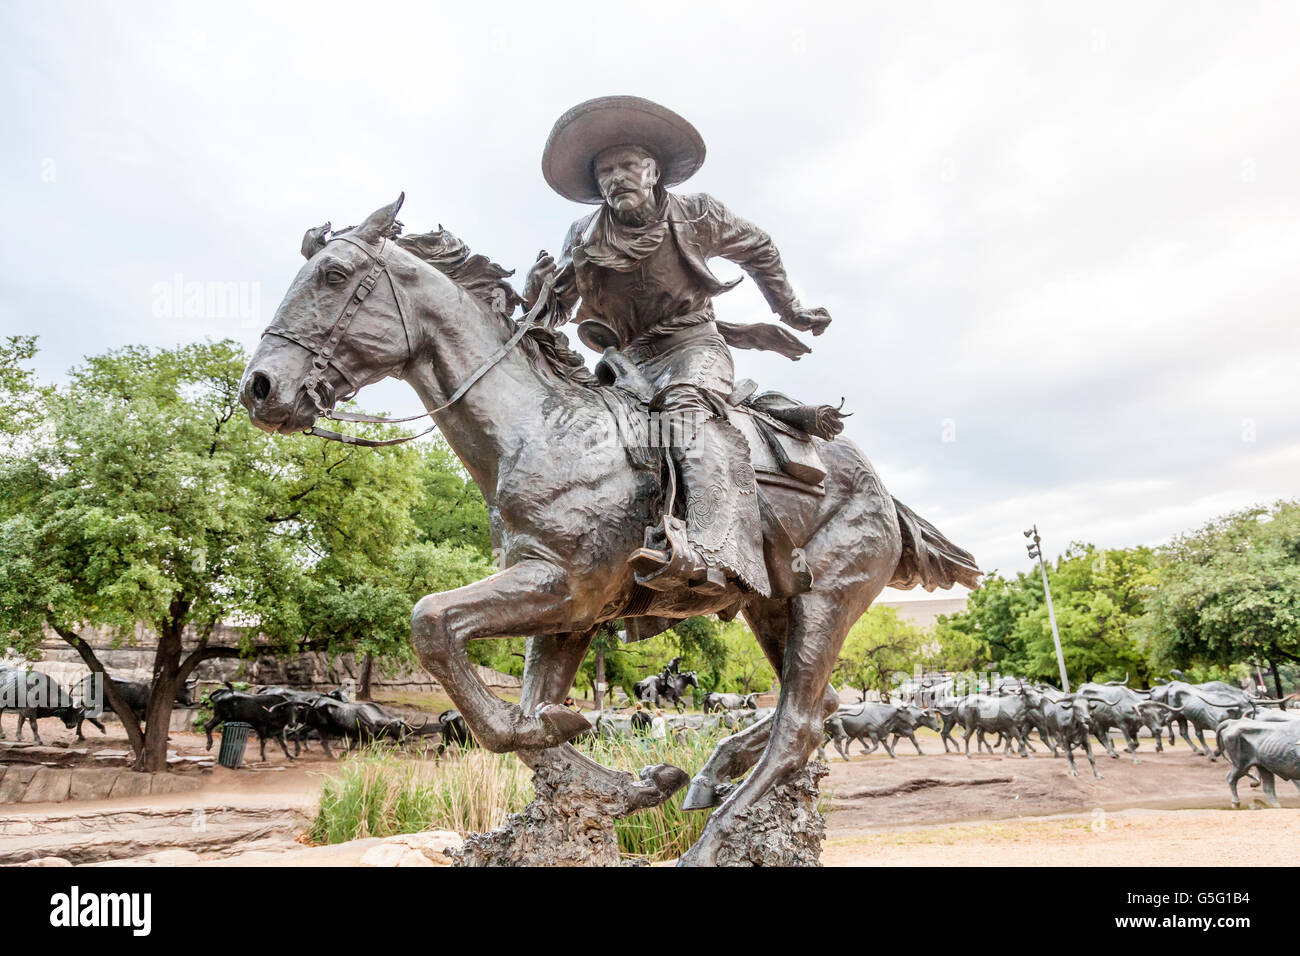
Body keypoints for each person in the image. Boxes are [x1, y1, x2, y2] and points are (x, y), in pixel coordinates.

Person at [526, 96, 832, 598]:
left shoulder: (698, 214)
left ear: (654, 171)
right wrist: (536, 294)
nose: (615, 177)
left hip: (693, 346)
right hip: (627, 363)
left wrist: (791, 310)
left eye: (627, 164)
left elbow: (760, 248)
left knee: (684, 405)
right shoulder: (582, 236)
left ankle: (711, 551)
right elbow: (554, 312)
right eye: (605, 170)